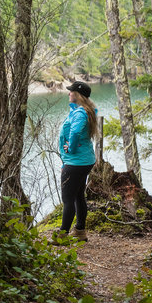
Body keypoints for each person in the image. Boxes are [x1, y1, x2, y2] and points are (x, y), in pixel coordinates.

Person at [55, 80, 97, 242]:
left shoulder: (80, 113)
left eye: (71, 91)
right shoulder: (84, 110)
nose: (69, 93)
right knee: (78, 195)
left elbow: (75, 132)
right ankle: (80, 231)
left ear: (78, 95)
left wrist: (69, 149)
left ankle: (62, 235)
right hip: (83, 160)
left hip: (76, 161)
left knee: (68, 199)